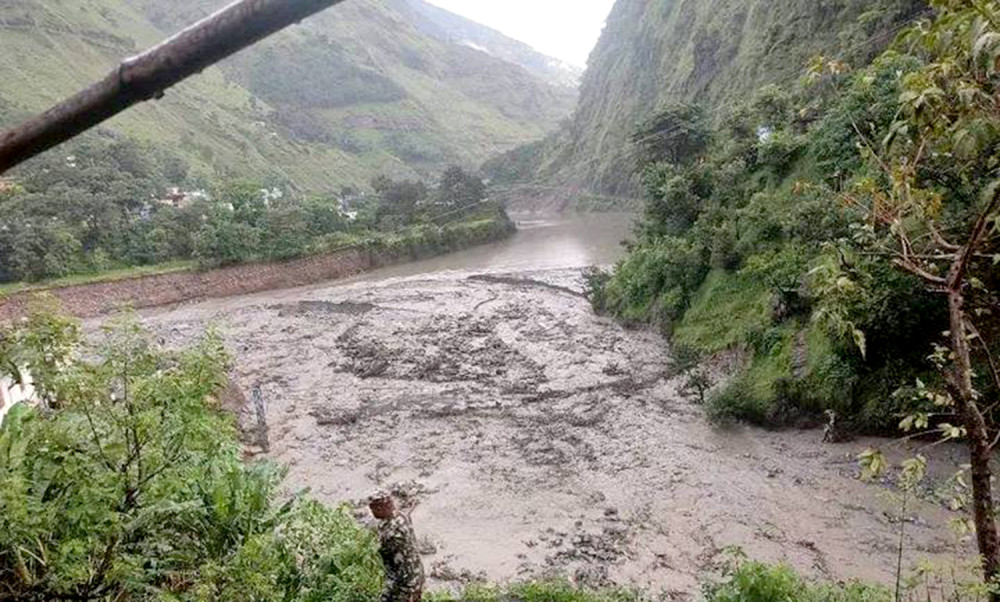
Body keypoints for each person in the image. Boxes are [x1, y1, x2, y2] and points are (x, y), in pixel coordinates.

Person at [369, 489, 425, 602]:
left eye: (373, 509)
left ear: (380, 509)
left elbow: (381, 556)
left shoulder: (390, 533)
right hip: (417, 574)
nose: (372, 513)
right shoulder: (401, 517)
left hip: (405, 583)